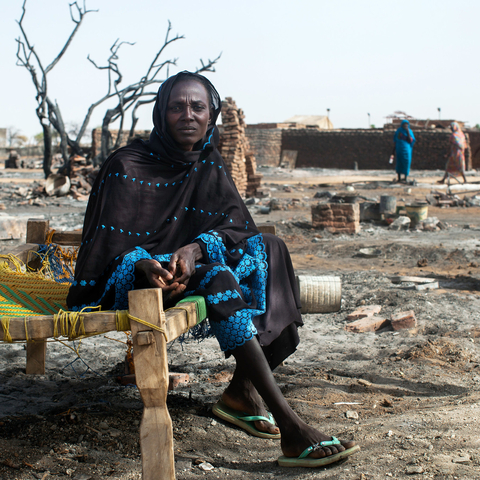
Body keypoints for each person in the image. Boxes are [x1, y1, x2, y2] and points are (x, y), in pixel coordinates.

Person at [67, 71, 359, 467]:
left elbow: (237, 227)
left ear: (211, 115)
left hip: (193, 268)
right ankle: (290, 427)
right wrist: (146, 266)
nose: (187, 114)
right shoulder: (126, 165)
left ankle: (240, 393)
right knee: (218, 277)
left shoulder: (208, 161)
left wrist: (195, 248)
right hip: (138, 280)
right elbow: (105, 252)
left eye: (197, 106)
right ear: (161, 114)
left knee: (271, 248)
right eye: (176, 106)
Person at [393, 119, 416, 183]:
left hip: (407, 149)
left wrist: (407, 131)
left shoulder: (410, 131)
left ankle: (405, 177)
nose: (405, 126)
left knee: (406, 162)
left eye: (407, 125)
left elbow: (410, 140)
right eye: (404, 124)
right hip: (399, 149)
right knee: (399, 163)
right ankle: (399, 178)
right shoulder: (399, 131)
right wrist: (393, 150)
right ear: (402, 125)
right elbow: (395, 140)